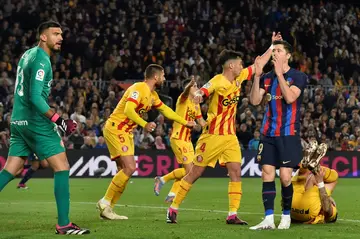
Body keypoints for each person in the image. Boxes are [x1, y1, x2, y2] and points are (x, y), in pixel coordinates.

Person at [166, 32, 282, 225]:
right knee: (195, 173)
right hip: (211, 136)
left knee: (236, 171)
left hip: (229, 137)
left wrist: (272, 46)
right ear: (231, 66)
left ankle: (232, 214)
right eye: (239, 63)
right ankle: (173, 208)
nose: (242, 66)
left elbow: (258, 65)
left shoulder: (238, 78)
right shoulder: (218, 80)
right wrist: (197, 97)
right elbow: (203, 91)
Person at [0, 21, 90, 235]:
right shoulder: (42, 60)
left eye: (61, 34)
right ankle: (64, 224)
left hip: (18, 120)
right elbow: (35, 98)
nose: (60, 37)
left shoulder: (27, 54)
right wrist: (60, 120)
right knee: (62, 166)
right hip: (34, 121)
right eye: (55, 34)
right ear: (43, 37)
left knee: (10, 169)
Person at [96, 64, 195, 220]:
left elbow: (166, 110)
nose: (164, 78)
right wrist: (145, 124)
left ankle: (107, 209)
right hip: (116, 128)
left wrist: (184, 122)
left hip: (125, 132)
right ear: (155, 76)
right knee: (130, 167)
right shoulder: (139, 88)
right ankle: (105, 201)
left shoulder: (153, 95)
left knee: (124, 171)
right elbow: (129, 110)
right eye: (162, 75)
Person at [249, 40, 308, 230]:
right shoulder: (266, 77)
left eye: (279, 50)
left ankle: (286, 216)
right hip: (268, 133)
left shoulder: (298, 76)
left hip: (288, 133)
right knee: (266, 173)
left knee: (284, 177)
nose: (275, 53)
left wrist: (280, 74)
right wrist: (257, 76)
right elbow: (255, 100)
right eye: (273, 50)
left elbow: (290, 98)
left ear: (288, 56)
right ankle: (268, 219)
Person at [154, 77, 206, 203]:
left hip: (187, 141)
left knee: (191, 171)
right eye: (194, 86)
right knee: (190, 172)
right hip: (178, 138)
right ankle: (163, 180)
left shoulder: (196, 104)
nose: (197, 88)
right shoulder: (182, 100)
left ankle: (171, 194)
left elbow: (202, 123)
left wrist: (212, 123)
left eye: (197, 86)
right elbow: (185, 92)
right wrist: (189, 85)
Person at [291, 141, 338, 224]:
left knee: (334, 178)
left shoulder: (332, 214)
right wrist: (321, 185)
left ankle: (306, 165)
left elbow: (327, 209)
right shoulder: (319, 203)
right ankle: (310, 166)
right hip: (295, 212)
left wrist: (320, 181)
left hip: (297, 210)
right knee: (311, 179)